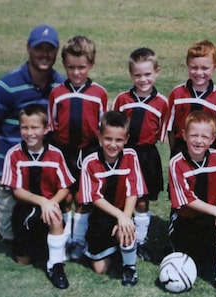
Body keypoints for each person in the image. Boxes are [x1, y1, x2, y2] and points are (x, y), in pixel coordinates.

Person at [0, 24, 64, 240]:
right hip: (13, 172)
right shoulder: (6, 86)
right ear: (28, 48)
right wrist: (5, 160)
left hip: (43, 168)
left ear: (56, 51)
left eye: (49, 49)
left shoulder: (61, 86)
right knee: (11, 238)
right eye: (39, 48)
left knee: (48, 231)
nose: (44, 54)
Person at [0, 105, 75, 289]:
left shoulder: (55, 154)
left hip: (50, 206)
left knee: (54, 216)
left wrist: (51, 203)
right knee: (23, 261)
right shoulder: (14, 154)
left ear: (46, 129)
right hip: (25, 207)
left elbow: (65, 187)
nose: (29, 132)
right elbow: (17, 191)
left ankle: (55, 267)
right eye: (25, 127)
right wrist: (43, 202)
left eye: (35, 127)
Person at [48, 35, 108, 260]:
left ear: (91, 65)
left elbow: (102, 125)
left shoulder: (99, 93)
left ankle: (78, 241)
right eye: (71, 67)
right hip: (63, 151)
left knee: (83, 198)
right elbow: (53, 123)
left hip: (88, 152)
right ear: (64, 65)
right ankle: (62, 238)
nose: (76, 72)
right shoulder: (57, 93)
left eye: (81, 67)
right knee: (65, 197)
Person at [168, 110, 216, 297]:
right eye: (194, 135)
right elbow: (186, 199)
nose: (199, 141)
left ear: (213, 138)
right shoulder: (177, 163)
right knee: (193, 263)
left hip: (211, 217)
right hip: (186, 221)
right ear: (183, 135)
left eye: (205, 136)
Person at [78, 111, 147, 287]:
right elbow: (94, 197)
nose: (113, 145)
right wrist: (119, 216)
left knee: (126, 230)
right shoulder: (90, 161)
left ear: (126, 139)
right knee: (100, 269)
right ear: (100, 137)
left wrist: (125, 217)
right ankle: (116, 248)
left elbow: (133, 191)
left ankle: (129, 267)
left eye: (119, 140)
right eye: (108, 139)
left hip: (125, 211)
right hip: (101, 216)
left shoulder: (131, 156)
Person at [112, 47, 168, 262]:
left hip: (146, 156)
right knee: (121, 196)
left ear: (156, 72)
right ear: (131, 75)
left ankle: (141, 240)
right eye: (138, 75)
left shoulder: (163, 102)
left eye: (147, 74)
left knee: (142, 201)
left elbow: (162, 131)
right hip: (124, 155)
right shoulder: (122, 99)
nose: (143, 79)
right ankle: (120, 234)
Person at [166, 39, 216, 158]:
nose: (199, 73)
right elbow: (170, 129)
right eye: (194, 67)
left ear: (215, 66)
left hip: (207, 151)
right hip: (181, 150)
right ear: (187, 65)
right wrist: (174, 152)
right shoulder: (177, 94)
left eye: (205, 68)